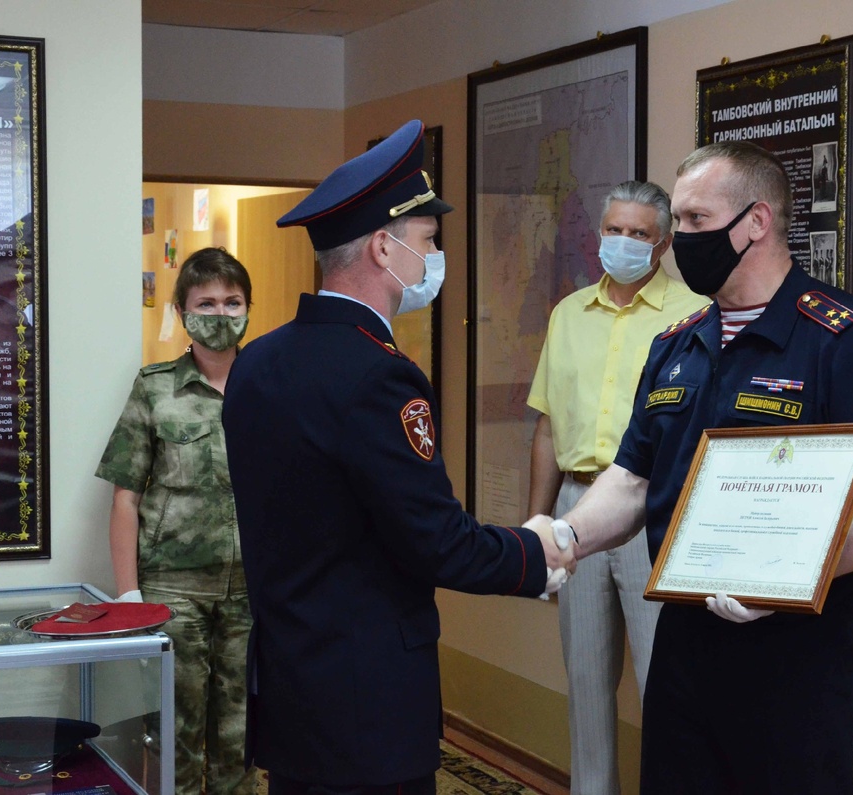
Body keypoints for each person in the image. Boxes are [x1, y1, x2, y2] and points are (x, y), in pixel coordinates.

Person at [537, 141, 853, 794]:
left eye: (696, 220)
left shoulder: (849, 341)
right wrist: (567, 535)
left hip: (799, 649)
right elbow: (634, 478)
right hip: (685, 638)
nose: (680, 238)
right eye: (680, 221)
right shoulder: (676, 346)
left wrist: (785, 575)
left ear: (756, 221)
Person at [221, 120, 572, 795]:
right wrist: (535, 552)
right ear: (384, 248)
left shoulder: (257, 361)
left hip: (291, 690)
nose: (435, 257)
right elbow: (435, 540)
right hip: (369, 705)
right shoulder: (380, 376)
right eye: (428, 240)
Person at [526, 180, 708, 794]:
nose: (623, 242)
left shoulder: (694, 314)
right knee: (585, 681)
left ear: (663, 244)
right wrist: (537, 527)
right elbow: (548, 427)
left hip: (654, 507)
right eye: (614, 230)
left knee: (665, 681)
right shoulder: (568, 314)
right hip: (577, 504)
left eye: (638, 234)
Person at [96, 247, 257, 795]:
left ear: (248, 308)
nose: (220, 313)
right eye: (206, 303)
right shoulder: (155, 387)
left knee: (241, 735)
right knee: (174, 734)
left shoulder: (271, 385)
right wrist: (129, 596)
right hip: (173, 594)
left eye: (232, 301)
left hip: (252, 591)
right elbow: (125, 497)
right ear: (183, 311)